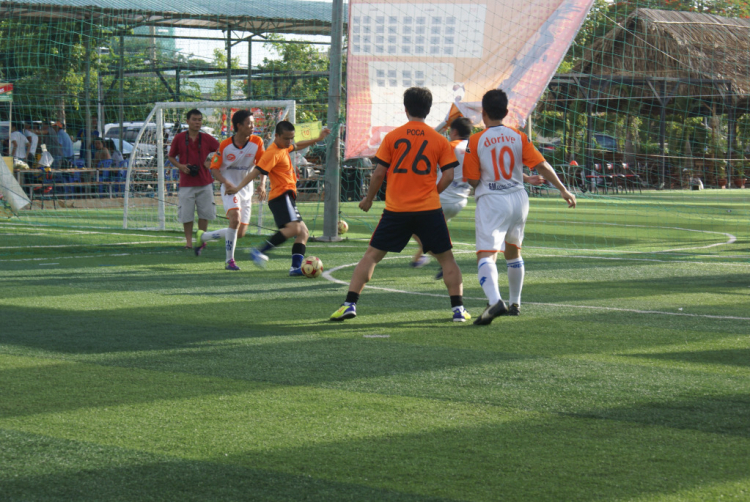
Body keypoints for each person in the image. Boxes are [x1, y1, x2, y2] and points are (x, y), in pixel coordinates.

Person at [328, 87, 470, 322]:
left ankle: (349, 304)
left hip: (397, 210)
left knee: (371, 256)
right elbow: (448, 176)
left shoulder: (393, 137)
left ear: (405, 109)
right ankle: (458, 310)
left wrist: (369, 198)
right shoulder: (439, 140)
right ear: (429, 110)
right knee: (447, 259)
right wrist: (431, 194)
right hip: (428, 210)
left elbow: (378, 174)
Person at [463, 89, 576, 325]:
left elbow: (473, 181)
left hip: (493, 200)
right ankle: (515, 303)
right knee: (513, 251)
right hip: (518, 199)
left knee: (486, 255)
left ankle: (495, 300)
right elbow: (542, 166)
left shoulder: (475, 140)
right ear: (505, 112)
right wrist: (563, 189)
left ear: (483, 113)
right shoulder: (518, 136)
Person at [226, 120, 330, 276]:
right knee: (294, 229)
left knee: (303, 233)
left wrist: (317, 139)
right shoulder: (272, 153)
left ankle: (295, 268)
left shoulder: (283, 147)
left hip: (287, 196)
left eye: (291, 138)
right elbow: (256, 172)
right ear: (277, 136)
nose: (289, 142)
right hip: (281, 196)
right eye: (286, 138)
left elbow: (298, 145)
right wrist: (237, 188)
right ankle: (259, 251)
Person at [195, 109, 265, 270]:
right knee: (235, 219)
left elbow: (263, 166)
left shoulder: (257, 142)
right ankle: (229, 261)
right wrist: (226, 183)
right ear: (239, 126)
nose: (252, 126)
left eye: (253, 123)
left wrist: (262, 183)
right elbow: (214, 168)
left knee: (239, 233)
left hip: (246, 191)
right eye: (249, 123)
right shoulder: (225, 145)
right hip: (229, 189)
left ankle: (204, 236)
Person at [167, 108, 220, 249]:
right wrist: (181, 166)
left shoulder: (207, 137)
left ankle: (201, 239)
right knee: (186, 214)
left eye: (200, 120)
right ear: (187, 121)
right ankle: (189, 242)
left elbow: (221, 150)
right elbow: (171, 156)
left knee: (205, 213)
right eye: (194, 120)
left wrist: (210, 161)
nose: (197, 123)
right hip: (186, 183)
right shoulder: (179, 138)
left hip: (205, 182)